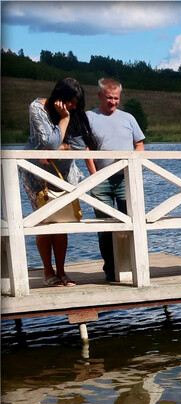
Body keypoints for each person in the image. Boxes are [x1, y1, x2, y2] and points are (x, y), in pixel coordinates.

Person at [22, 77, 98, 287]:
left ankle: (62, 271)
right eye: (71, 101)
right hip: (37, 175)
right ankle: (48, 271)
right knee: (45, 221)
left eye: (76, 102)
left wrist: (61, 147)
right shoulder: (37, 108)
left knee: (61, 223)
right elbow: (49, 142)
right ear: (59, 97)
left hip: (64, 175)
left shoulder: (75, 111)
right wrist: (63, 120)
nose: (74, 106)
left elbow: (79, 143)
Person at [87, 78, 145, 281]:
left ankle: (132, 268)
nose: (113, 102)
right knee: (105, 229)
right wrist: (94, 176)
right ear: (100, 96)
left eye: (116, 98)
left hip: (125, 180)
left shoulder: (128, 118)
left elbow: (139, 145)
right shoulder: (89, 117)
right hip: (100, 181)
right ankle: (111, 271)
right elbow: (87, 150)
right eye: (109, 98)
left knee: (132, 223)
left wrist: (134, 161)